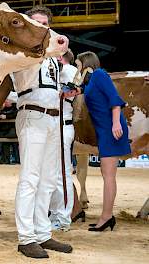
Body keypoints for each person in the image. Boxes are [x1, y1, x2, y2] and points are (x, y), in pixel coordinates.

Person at [13, 6, 74, 258]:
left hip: (53, 119)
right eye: (36, 23)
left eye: (44, 24)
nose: (41, 27)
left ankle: (42, 232)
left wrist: (67, 91)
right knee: (30, 178)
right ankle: (26, 237)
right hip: (32, 114)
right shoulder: (22, 52)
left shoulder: (52, 60)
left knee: (48, 180)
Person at [75, 51, 131, 232]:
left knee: (108, 175)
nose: (77, 69)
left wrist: (116, 123)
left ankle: (106, 217)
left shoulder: (100, 74)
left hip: (111, 129)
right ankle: (107, 216)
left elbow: (115, 100)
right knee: (106, 173)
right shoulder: (91, 81)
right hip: (104, 129)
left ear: (86, 63)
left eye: (78, 64)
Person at [48, 49, 78, 231]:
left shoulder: (70, 71)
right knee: (51, 174)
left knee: (62, 174)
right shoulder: (52, 71)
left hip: (63, 125)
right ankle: (54, 212)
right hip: (51, 126)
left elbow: (71, 92)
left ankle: (64, 218)